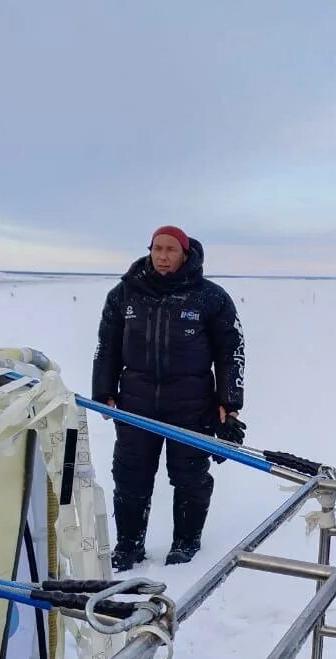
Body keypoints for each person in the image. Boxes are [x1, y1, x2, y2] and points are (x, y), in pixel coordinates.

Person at [91, 225, 245, 570]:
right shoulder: (125, 294)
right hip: (136, 403)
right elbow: (107, 347)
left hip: (192, 404)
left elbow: (231, 350)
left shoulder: (210, 298)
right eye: (157, 248)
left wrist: (229, 402)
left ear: (185, 254)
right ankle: (129, 546)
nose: (162, 256)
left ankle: (186, 542)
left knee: (190, 476)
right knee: (130, 476)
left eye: (170, 250)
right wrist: (103, 391)